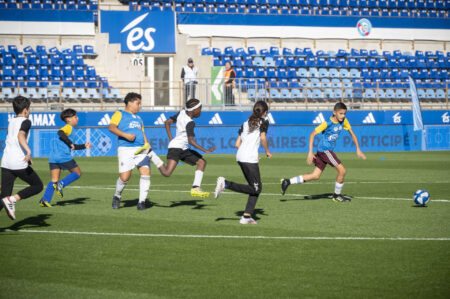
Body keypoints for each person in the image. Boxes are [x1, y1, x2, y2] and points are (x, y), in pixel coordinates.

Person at [280, 102, 366, 202]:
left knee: (315, 175)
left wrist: (358, 149)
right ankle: (336, 196)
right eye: (341, 113)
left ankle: (287, 181)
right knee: (342, 171)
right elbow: (312, 134)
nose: (343, 116)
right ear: (334, 112)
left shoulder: (344, 121)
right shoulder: (327, 123)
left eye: (344, 114)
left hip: (322, 151)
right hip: (325, 151)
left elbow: (352, 134)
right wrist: (310, 152)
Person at [214, 101, 272, 224]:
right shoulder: (264, 122)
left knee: (255, 187)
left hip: (241, 156)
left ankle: (246, 216)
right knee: (256, 188)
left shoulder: (245, 123)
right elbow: (263, 138)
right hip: (249, 158)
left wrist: (250, 154)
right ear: (265, 112)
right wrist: (267, 151)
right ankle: (225, 184)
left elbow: (236, 144)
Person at [109, 92, 165, 210]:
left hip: (141, 149)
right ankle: (117, 196)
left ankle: (141, 202)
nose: (139, 106)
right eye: (137, 103)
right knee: (125, 178)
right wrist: (125, 135)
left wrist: (147, 147)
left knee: (146, 172)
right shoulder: (120, 114)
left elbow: (142, 133)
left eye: (140, 103)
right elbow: (112, 128)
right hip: (126, 149)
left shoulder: (139, 118)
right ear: (129, 102)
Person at [158, 98, 216, 197]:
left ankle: (195, 188)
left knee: (201, 162)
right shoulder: (190, 122)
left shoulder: (182, 112)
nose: (201, 111)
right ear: (194, 110)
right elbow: (191, 141)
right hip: (176, 148)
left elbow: (167, 123)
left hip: (182, 148)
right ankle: (153, 157)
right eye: (200, 109)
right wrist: (205, 150)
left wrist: (172, 139)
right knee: (167, 173)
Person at [1, 96, 43, 220]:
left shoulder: (12, 121)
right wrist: (28, 151)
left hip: (6, 162)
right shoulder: (26, 121)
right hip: (18, 163)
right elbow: (20, 136)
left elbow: (13, 140)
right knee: (38, 186)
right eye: (29, 109)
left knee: (3, 196)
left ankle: (9, 199)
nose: (29, 111)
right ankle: (13, 199)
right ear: (25, 110)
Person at [39, 109, 92, 207]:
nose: (77, 118)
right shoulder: (68, 127)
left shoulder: (70, 129)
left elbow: (73, 146)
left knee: (54, 179)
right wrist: (70, 142)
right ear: (68, 119)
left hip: (53, 157)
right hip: (63, 156)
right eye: (75, 117)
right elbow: (60, 132)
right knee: (77, 173)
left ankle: (45, 200)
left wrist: (84, 146)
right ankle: (61, 184)